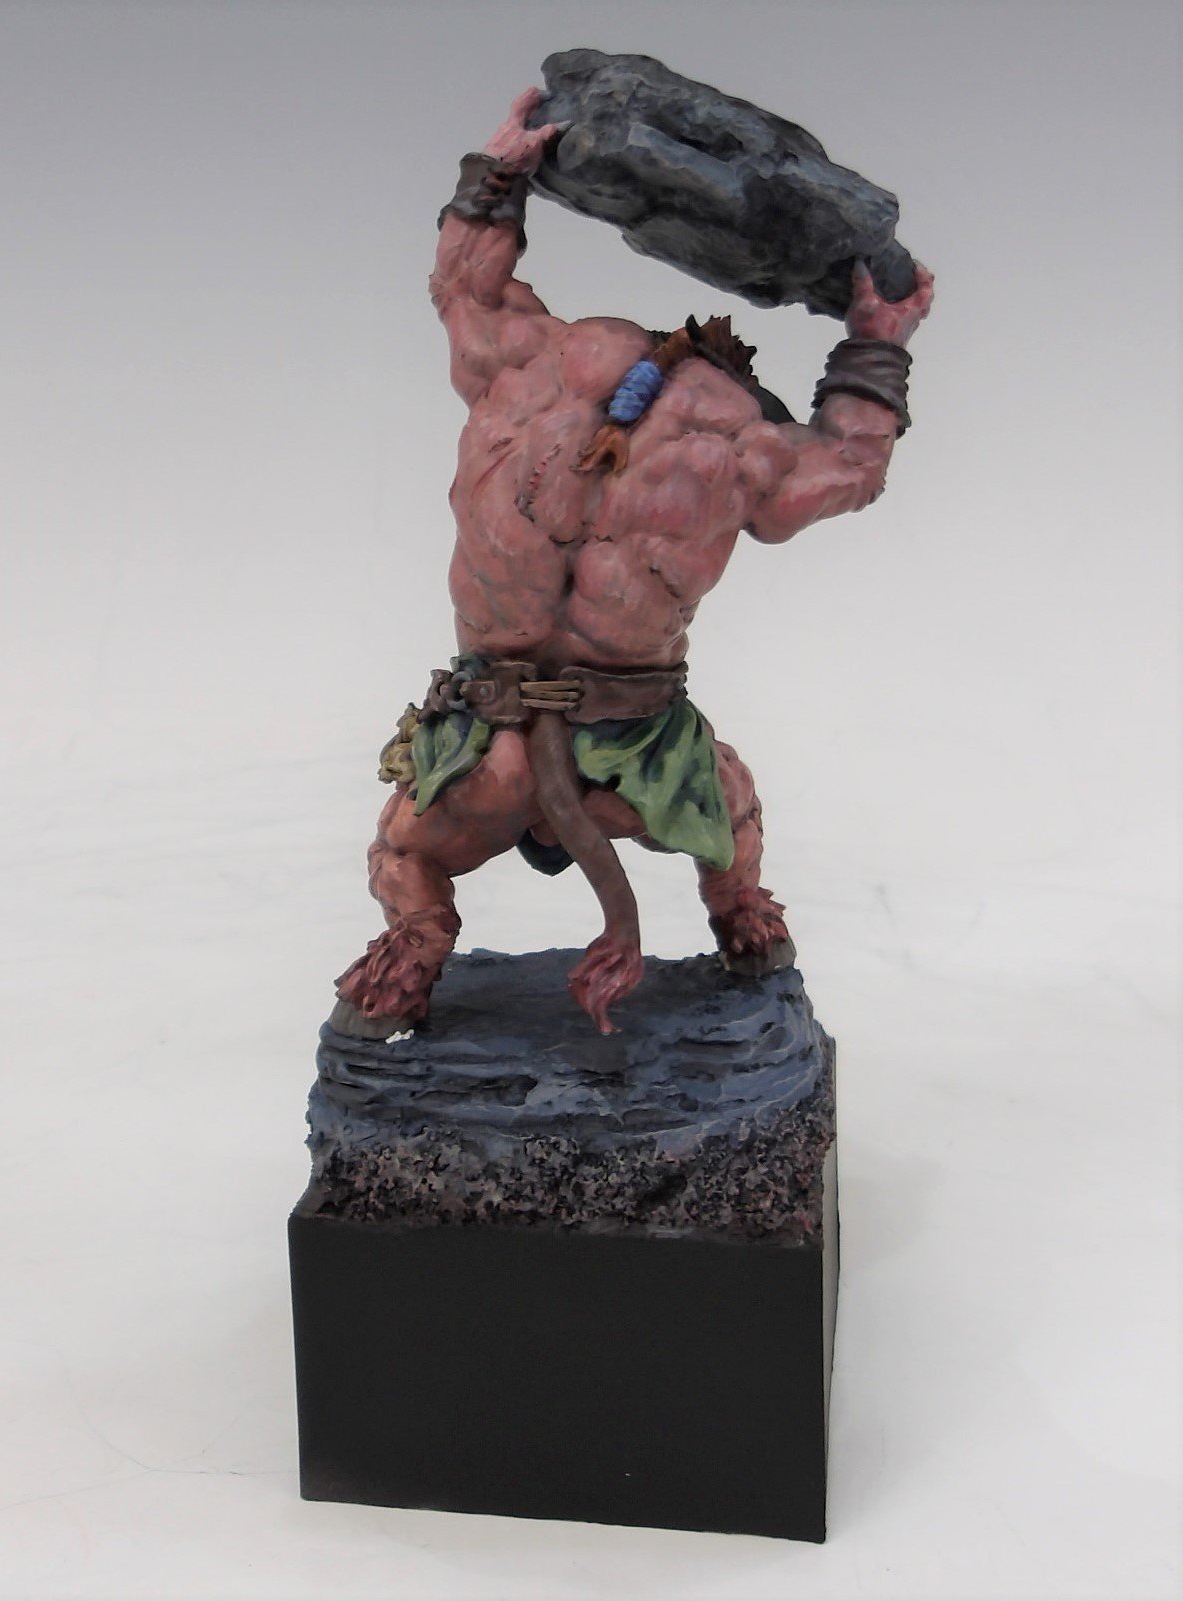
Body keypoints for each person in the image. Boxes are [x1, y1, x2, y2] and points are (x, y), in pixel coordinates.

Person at [334, 89, 934, 1035]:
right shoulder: (748, 450)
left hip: (489, 746)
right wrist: (876, 341)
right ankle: (740, 909)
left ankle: (414, 940)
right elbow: (854, 463)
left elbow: (463, 288)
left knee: (405, 851)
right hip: (633, 756)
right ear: (737, 371)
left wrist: (497, 177)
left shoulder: (520, 365)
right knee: (730, 809)